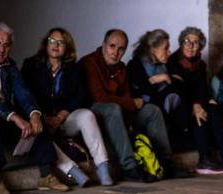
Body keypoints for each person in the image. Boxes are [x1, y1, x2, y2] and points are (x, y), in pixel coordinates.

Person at [0, 22, 69, 194]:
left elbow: (23, 93)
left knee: (37, 118)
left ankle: (46, 175)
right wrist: (13, 116)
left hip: (4, 120)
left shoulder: (10, 66)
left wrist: (34, 114)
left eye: (7, 45)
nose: (2, 49)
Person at [80, 29, 187, 181]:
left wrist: (130, 113)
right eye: (112, 46)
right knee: (113, 108)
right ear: (103, 45)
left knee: (152, 111)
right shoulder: (89, 62)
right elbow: (100, 97)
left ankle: (166, 163)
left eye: (121, 49)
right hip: (95, 110)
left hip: (119, 111)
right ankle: (129, 167)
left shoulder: (122, 68)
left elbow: (127, 97)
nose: (115, 52)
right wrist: (130, 104)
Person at [21, 28, 113, 187]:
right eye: (52, 40)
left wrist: (60, 117)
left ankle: (103, 167)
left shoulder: (74, 68)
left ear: (67, 48)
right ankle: (74, 171)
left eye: (61, 42)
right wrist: (43, 116)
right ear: (46, 43)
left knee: (87, 115)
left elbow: (81, 96)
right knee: (40, 132)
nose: (55, 45)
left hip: (64, 119)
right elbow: (25, 95)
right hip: (41, 119)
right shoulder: (31, 65)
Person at [167, 26, 223, 175]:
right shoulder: (172, 61)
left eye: (195, 43)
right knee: (199, 115)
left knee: (213, 108)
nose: (190, 46)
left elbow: (201, 88)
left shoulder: (200, 65)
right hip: (179, 108)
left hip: (194, 103)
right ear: (181, 43)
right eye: (187, 41)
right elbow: (178, 90)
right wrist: (195, 105)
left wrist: (199, 103)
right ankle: (204, 157)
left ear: (200, 46)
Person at [127, 29, 186, 138]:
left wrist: (164, 77)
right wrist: (164, 80)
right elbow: (144, 91)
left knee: (180, 95)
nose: (169, 52)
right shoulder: (135, 65)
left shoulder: (166, 63)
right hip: (144, 110)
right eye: (166, 48)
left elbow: (181, 82)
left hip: (162, 105)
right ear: (153, 49)